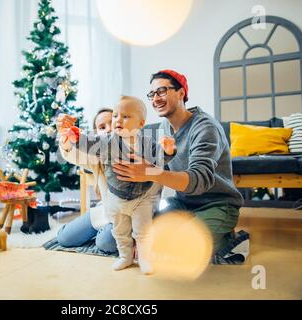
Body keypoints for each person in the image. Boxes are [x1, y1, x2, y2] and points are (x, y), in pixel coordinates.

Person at [112, 70, 244, 253]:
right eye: (152, 94)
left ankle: (228, 236)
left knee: (185, 250)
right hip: (182, 203)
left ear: (181, 93)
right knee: (143, 238)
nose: (155, 99)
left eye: (162, 91)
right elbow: (157, 169)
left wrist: (149, 171)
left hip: (217, 204)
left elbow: (199, 180)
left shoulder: (206, 127)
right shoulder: (164, 127)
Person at [58, 96, 176, 274]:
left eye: (124, 117)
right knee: (69, 237)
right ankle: (125, 256)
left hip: (141, 202)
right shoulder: (102, 147)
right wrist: (70, 136)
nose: (114, 124)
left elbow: (160, 158)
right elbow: (80, 148)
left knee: (126, 237)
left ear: (140, 123)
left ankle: (144, 257)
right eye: (103, 126)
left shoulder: (146, 143)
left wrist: (169, 151)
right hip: (111, 207)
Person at [56, 108, 117, 254]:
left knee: (106, 243)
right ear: (96, 135)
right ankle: (103, 230)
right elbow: (73, 154)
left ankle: (107, 233)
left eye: (112, 123)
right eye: (102, 127)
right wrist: (66, 138)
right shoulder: (96, 156)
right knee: (64, 238)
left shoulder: (133, 149)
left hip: (127, 217)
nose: (108, 129)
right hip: (105, 212)